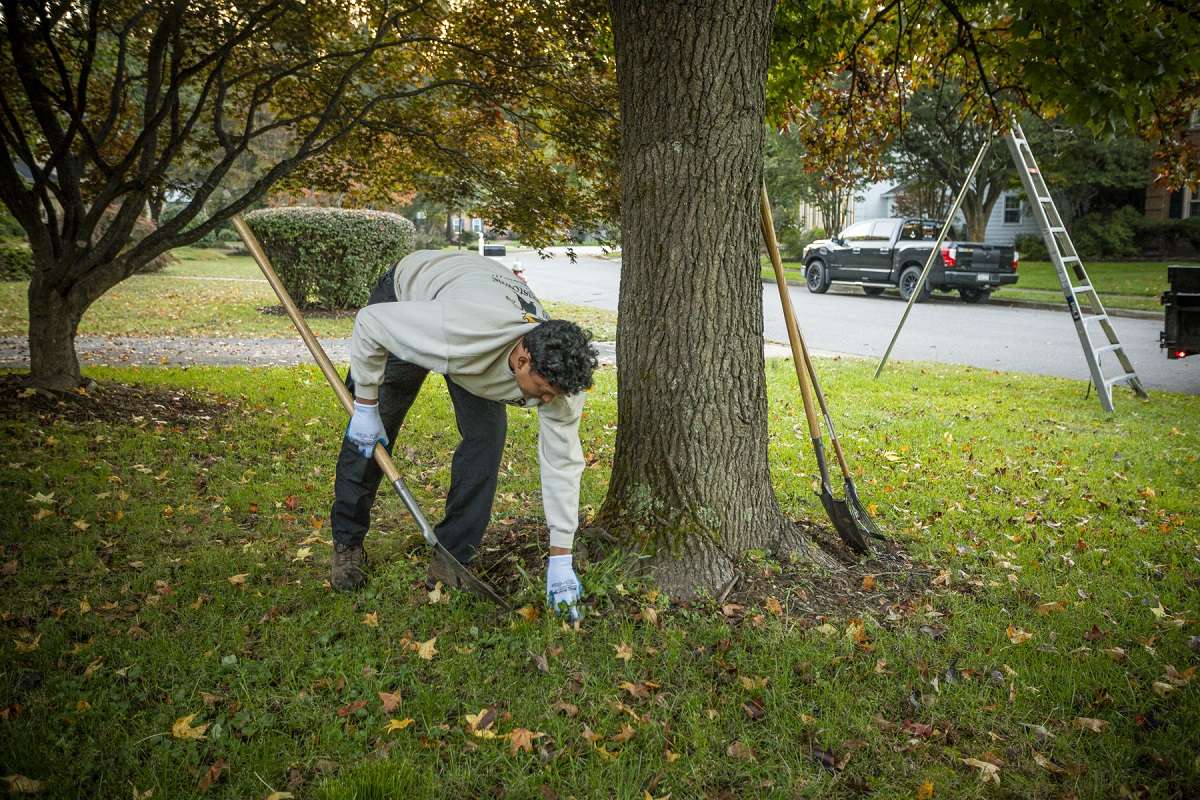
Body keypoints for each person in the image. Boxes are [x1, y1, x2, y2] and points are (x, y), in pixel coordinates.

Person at [331, 249, 597, 620]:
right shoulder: (457, 327)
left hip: (478, 308)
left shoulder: (562, 385)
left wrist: (561, 559)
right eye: (542, 391)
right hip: (415, 295)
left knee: (486, 439)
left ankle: (452, 557)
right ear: (522, 361)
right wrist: (364, 406)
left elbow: (562, 465)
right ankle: (347, 542)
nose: (547, 402)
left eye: (555, 395)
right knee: (373, 431)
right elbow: (372, 323)